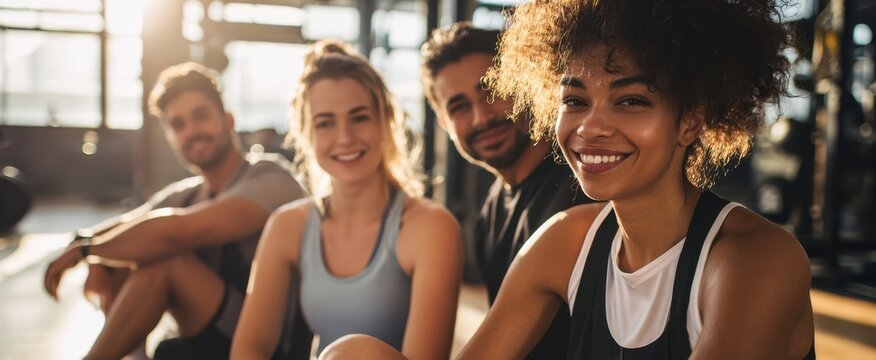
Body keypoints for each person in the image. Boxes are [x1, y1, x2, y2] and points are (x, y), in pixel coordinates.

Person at [321, 0, 816, 358]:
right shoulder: (565, 239)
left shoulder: (753, 257)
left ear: (691, 120)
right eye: (575, 101)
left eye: (631, 100)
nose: (590, 128)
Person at [43, 62, 310, 359]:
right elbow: (130, 224)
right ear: (171, 138)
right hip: (208, 339)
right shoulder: (188, 193)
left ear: (228, 120)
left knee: (164, 259)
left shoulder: (271, 178)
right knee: (121, 253)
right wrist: (86, 244)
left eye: (200, 116)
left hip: (268, 347)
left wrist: (86, 251)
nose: (192, 130)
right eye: (178, 125)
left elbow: (180, 231)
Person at [230, 40, 462, 360]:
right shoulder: (287, 225)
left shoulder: (431, 227)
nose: (345, 138)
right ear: (305, 134)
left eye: (359, 117)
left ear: (386, 121)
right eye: (325, 123)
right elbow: (249, 350)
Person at [419, 22, 592, 359]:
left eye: (492, 91)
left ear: (525, 84)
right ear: (444, 123)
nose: (481, 117)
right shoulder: (490, 214)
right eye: (459, 107)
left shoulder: (587, 185)